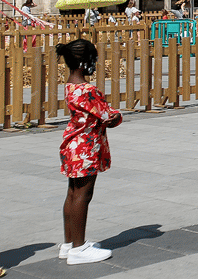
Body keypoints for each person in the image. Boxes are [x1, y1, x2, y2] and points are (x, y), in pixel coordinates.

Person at [56, 38, 121, 265]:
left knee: (72, 193)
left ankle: (68, 244)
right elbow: (107, 115)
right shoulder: (88, 90)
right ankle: (79, 248)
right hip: (86, 148)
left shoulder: (70, 86)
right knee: (84, 194)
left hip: (72, 145)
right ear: (85, 62)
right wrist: (117, 116)